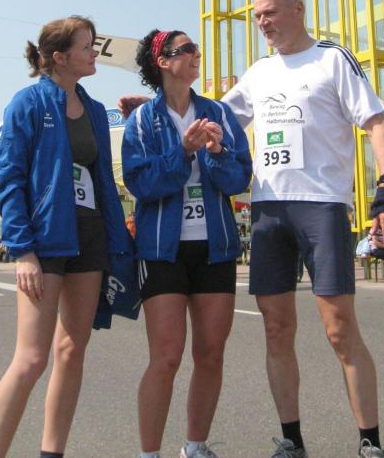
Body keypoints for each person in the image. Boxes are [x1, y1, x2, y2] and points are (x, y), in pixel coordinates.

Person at [120, 0, 384, 458]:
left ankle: (369, 441)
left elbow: (375, 122)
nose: (262, 22)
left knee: (339, 328)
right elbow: (209, 115)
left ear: (298, 9)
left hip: (321, 204)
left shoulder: (333, 59)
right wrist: (146, 107)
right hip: (269, 210)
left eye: (269, 12)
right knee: (276, 328)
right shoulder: (258, 73)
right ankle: (291, 439)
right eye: (256, 16)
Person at [0, 15, 131, 458]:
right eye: (87, 46)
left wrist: (117, 242)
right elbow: (8, 181)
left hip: (89, 236)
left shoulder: (94, 110)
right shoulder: (27, 103)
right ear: (59, 57)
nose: (94, 53)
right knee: (31, 359)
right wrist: (22, 251)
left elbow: (102, 180)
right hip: (45, 240)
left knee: (72, 351)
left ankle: (53, 453)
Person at [121, 28, 252, 458]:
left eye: (196, 48)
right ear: (163, 62)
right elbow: (142, 184)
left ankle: (195, 447)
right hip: (162, 250)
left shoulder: (218, 112)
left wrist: (216, 152)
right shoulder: (143, 120)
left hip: (215, 247)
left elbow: (239, 178)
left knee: (211, 354)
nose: (197, 54)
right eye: (187, 50)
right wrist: (182, 151)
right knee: (166, 357)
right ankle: (149, 453)